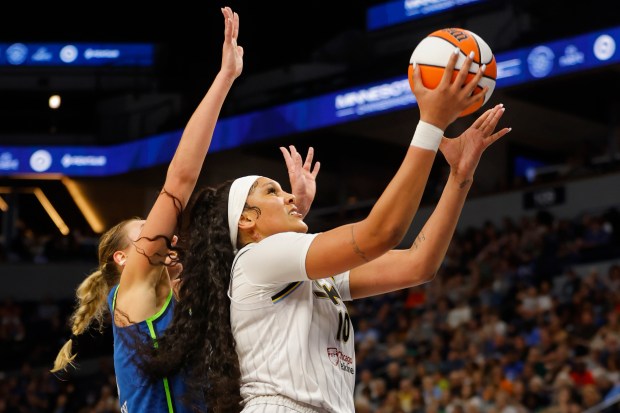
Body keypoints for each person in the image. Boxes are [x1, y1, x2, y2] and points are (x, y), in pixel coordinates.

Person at [139, 47, 511, 412]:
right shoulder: (256, 258)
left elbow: (418, 264)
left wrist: (459, 178)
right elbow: (380, 233)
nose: (288, 196)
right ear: (246, 219)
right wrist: (430, 125)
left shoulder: (301, 275)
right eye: (273, 191)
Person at [47, 7, 316, 413]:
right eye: (144, 230)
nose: (166, 234)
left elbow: (257, 259)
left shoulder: (192, 298)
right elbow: (180, 180)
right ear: (124, 258)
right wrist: (225, 78)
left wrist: (291, 215)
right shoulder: (132, 294)